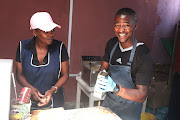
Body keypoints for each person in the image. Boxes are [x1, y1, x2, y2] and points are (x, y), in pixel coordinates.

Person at [97, 8, 153, 120]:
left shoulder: (143, 54)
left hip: (129, 111)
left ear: (135, 26)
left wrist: (116, 88)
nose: (121, 30)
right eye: (117, 25)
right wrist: (101, 79)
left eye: (126, 25)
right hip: (109, 105)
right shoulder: (112, 44)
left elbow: (142, 95)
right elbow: (104, 67)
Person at [15, 12, 69, 110]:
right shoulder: (23, 47)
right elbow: (19, 74)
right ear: (35, 32)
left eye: (52, 30)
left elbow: (65, 75)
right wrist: (30, 88)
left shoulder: (60, 47)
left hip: (55, 101)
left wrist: (52, 90)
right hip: (29, 102)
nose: (51, 34)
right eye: (45, 31)